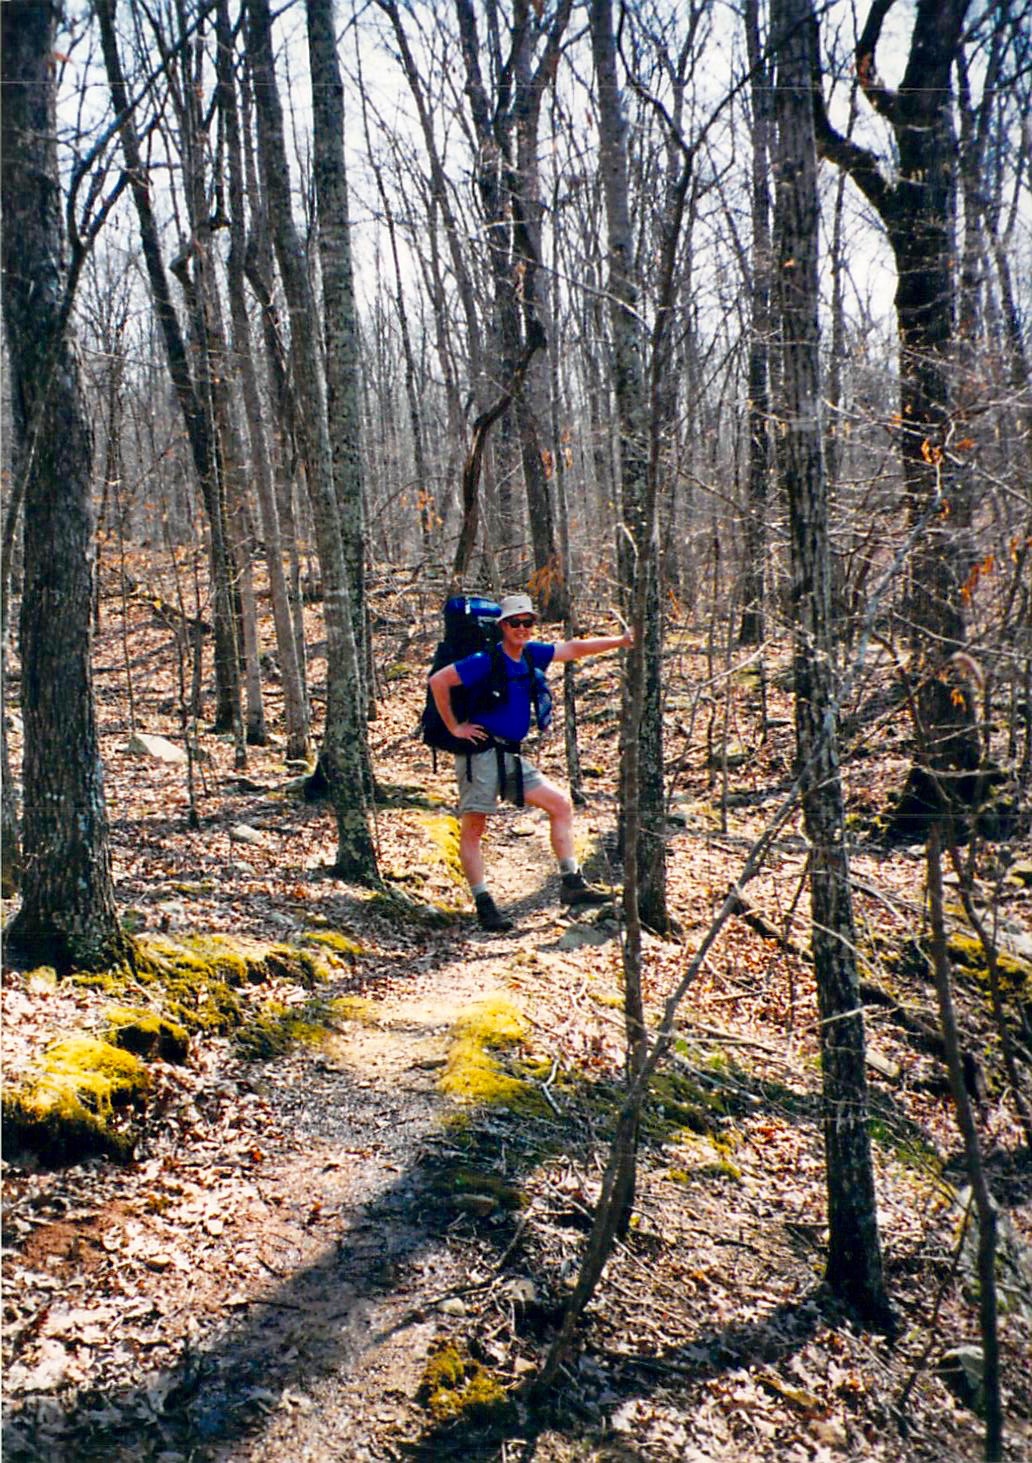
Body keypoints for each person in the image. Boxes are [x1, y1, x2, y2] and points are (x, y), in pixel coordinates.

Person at [428, 593, 633, 932]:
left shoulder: (531, 655)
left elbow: (572, 649)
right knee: (474, 829)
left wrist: (620, 642)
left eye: (528, 622)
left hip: (511, 755)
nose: (522, 628)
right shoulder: (484, 660)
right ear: (502, 626)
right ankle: (484, 904)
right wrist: (454, 727)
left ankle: (572, 882)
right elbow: (439, 681)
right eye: (515, 623)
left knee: (560, 805)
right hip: (479, 755)